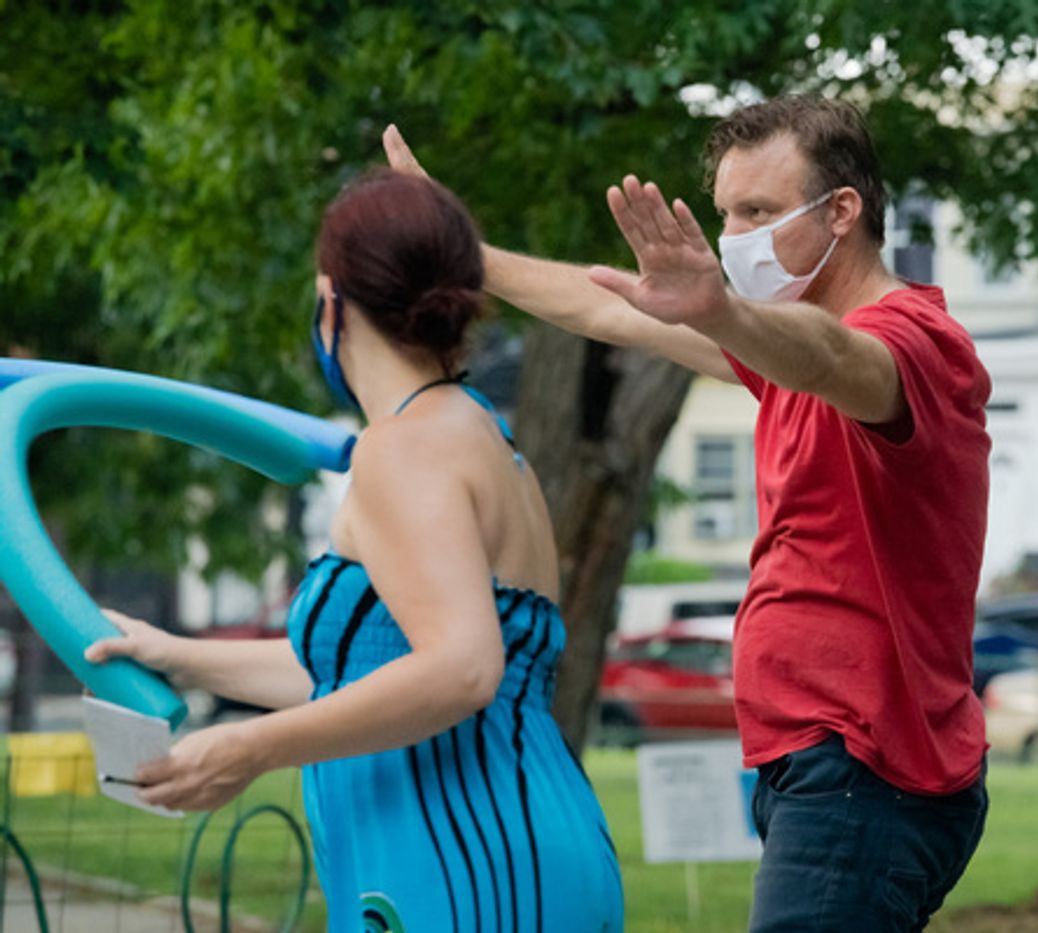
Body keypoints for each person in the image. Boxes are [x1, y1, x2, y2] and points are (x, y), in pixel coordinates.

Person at [385, 93, 992, 931]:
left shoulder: (914, 344)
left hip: (864, 768)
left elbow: (837, 358)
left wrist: (724, 311)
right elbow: (605, 306)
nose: (734, 236)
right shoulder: (775, 349)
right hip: (823, 768)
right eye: (726, 214)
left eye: (759, 212)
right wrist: (461, 257)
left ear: (842, 211)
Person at [84, 169, 624, 933]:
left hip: (461, 852)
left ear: (332, 298)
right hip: (511, 835)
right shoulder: (479, 436)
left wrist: (248, 747)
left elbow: (463, 667)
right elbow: (367, 671)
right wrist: (180, 654)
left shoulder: (400, 451)